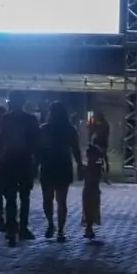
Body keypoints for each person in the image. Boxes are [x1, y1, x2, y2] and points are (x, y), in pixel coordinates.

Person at [0, 91, 40, 247]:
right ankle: (23, 227)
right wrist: (36, 163)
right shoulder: (31, 119)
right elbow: (36, 142)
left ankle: (11, 228)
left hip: (9, 161)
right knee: (24, 196)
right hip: (24, 161)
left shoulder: (5, 118)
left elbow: (0, 139)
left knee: (10, 197)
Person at [38, 101, 83, 242]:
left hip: (48, 165)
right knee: (61, 200)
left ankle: (52, 225)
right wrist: (79, 165)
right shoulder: (69, 129)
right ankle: (60, 230)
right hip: (63, 165)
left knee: (48, 199)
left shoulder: (45, 128)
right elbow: (75, 149)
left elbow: (39, 149)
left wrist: (35, 165)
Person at [82, 144, 106, 241]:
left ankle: (89, 228)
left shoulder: (89, 166)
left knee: (88, 209)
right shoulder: (98, 167)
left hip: (89, 190)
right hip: (94, 190)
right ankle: (89, 228)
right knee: (91, 209)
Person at [89, 111, 111, 177]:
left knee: (103, 155)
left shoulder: (105, 124)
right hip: (97, 142)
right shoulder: (96, 124)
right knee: (99, 156)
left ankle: (105, 167)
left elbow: (106, 133)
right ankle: (100, 169)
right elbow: (92, 131)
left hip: (102, 142)